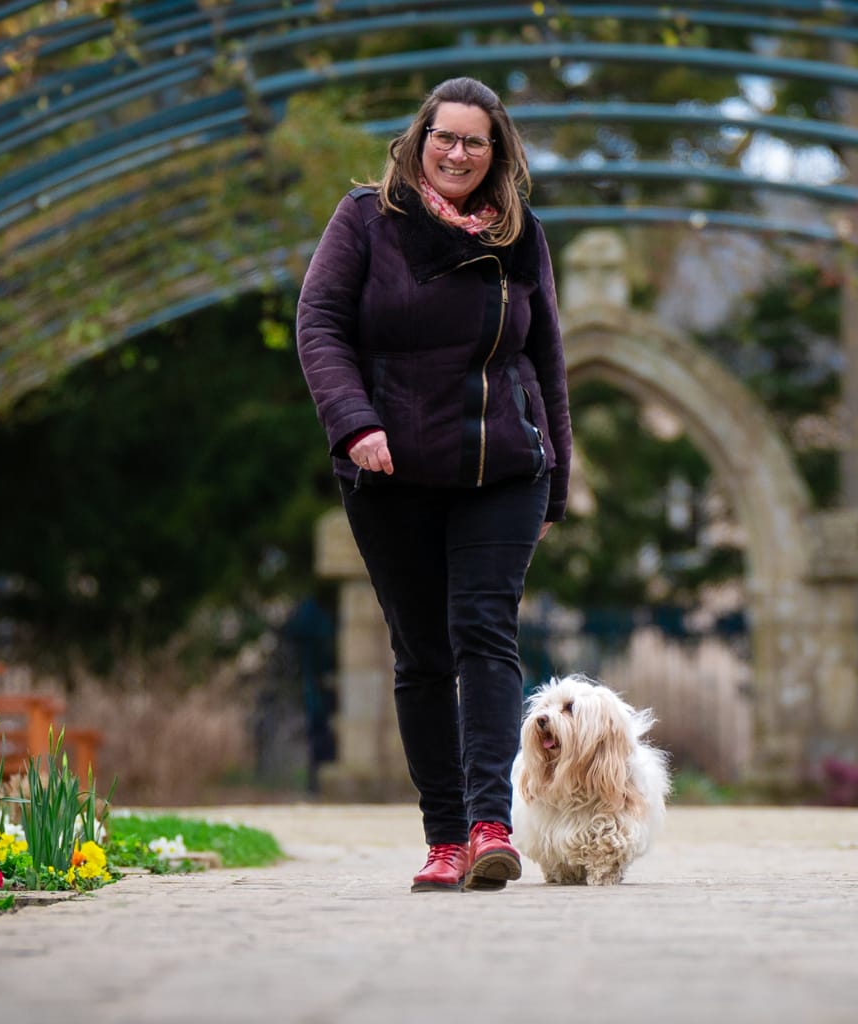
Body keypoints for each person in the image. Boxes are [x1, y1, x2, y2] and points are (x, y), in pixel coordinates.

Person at [296, 76, 572, 893]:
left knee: (485, 631)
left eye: (474, 141)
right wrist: (354, 422)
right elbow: (318, 324)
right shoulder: (366, 220)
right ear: (419, 140)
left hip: (501, 466)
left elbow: (548, 360)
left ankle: (492, 825)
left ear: (497, 154)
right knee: (421, 653)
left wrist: (556, 481)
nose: (456, 152)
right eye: (443, 137)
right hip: (392, 469)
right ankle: (444, 836)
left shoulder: (520, 236)